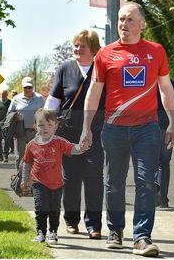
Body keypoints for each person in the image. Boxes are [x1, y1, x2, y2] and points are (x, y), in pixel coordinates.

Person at [81, 2, 174, 257]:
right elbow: (94, 91)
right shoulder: (105, 54)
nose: (123, 24)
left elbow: (165, 89)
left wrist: (173, 122)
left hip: (147, 128)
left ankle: (142, 237)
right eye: (121, 19)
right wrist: (86, 127)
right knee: (114, 182)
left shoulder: (156, 51)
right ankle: (115, 230)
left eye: (129, 19)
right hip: (114, 129)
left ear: (142, 24)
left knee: (146, 181)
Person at [44, 29, 105, 239]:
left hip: (96, 130)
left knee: (94, 178)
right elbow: (54, 100)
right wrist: (45, 125)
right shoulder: (65, 68)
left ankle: (94, 224)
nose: (77, 49)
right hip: (69, 132)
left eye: (83, 46)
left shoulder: (102, 67)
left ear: (93, 48)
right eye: (76, 45)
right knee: (71, 178)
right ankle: (71, 220)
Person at [21, 109, 86, 246]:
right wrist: (24, 180)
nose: (45, 128)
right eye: (41, 125)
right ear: (35, 126)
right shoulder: (31, 145)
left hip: (57, 184)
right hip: (38, 183)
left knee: (54, 210)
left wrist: (81, 147)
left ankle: (53, 232)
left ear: (56, 126)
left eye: (49, 125)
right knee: (40, 208)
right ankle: (41, 233)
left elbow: (72, 149)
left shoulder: (59, 142)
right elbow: (27, 164)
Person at [155, 79, 174, 208]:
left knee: (148, 163)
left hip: (147, 127)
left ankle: (151, 196)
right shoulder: (172, 84)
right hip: (167, 128)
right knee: (164, 164)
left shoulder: (146, 82)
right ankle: (162, 200)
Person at [8, 77, 45, 169]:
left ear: (33, 88)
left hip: (35, 133)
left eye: (29, 87)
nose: (27, 89)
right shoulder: (16, 98)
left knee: (36, 157)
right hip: (20, 132)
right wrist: (16, 116)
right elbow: (9, 114)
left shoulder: (40, 98)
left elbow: (45, 113)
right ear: (22, 87)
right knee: (19, 158)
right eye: (25, 87)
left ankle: (33, 180)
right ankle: (20, 180)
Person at [0, 90, 13, 162]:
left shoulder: (10, 103)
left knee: (7, 140)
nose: (3, 96)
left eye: (4, 94)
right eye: (2, 94)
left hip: (7, 125)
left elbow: (13, 112)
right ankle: (0, 155)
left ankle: (5, 156)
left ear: (7, 95)